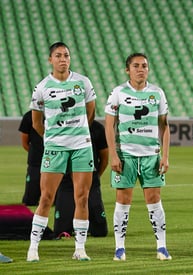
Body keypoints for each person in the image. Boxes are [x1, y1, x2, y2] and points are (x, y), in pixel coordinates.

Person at [26, 41, 96, 262]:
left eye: (66, 55)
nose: (63, 59)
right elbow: (36, 122)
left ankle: (80, 248)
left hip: (81, 146)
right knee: (46, 197)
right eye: (58, 55)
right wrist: (51, 138)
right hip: (55, 147)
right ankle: (33, 248)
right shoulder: (42, 87)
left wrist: (77, 133)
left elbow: (90, 114)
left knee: (82, 197)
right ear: (50, 60)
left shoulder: (83, 82)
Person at [105, 53, 171, 261]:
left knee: (154, 200)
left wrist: (165, 156)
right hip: (126, 156)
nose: (141, 69)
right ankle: (119, 248)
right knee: (123, 201)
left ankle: (161, 246)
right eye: (136, 66)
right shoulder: (118, 93)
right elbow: (109, 125)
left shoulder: (157, 93)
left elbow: (164, 126)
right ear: (128, 70)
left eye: (144, 66)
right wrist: (113, 155)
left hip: (151, 155)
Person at [54, 120, 109, 238]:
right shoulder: (61, 126)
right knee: (61, 231)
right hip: (66, 179)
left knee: (100, 231)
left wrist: (95, 176)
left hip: (89, 176)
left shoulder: (96, 128)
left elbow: (104, 157)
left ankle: (86, 227)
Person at [18, 110, 44, 206]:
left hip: (56, 159)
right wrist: (35, 152)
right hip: (35, 161)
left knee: (59, 199)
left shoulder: (59, 113)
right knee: (30, 201)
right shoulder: (29, 116)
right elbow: (25, 143)